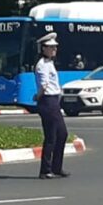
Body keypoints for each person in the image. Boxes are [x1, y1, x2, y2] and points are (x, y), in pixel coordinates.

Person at [34, 32, 68, 179]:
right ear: (43, 48)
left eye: (55, 47)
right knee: (51, 137)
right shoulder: (42, 65)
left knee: (63, 134)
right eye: (50, 47)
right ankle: (45, 170)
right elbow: (44, 85)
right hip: (48, 101)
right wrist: (38, 97)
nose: (54, 49)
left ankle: (56, 167)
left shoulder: (50, 63)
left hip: (54, 101)